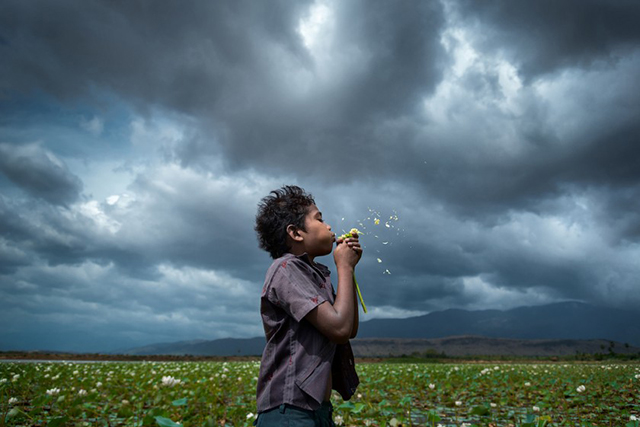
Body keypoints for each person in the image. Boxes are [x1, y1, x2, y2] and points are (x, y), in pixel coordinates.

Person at [253, 185, 361, 427]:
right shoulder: (285, 269)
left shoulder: (313, 275)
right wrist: (344, 267)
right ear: (296, 233)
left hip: (317, 412)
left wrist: (349, 270)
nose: (329, 227)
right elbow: (340, 329)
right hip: (288, 413)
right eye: (319, 219)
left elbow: (348, 329)